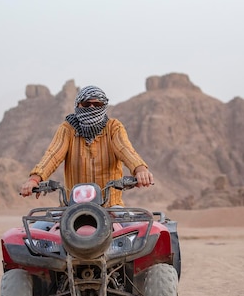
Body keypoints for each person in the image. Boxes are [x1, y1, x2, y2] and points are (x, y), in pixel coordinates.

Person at [20, 85, 154, 206]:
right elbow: (53, 155)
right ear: (78, 105)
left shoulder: (113, 127)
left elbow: (125, 149)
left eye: (97, 104)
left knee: (138, 231)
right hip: (73, 208)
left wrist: (140, 170)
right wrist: (34, 179)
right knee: (37, 230)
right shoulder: (68, 129)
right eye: (86, 104)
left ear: (104, 107)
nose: (92, 108)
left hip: (110, 207)